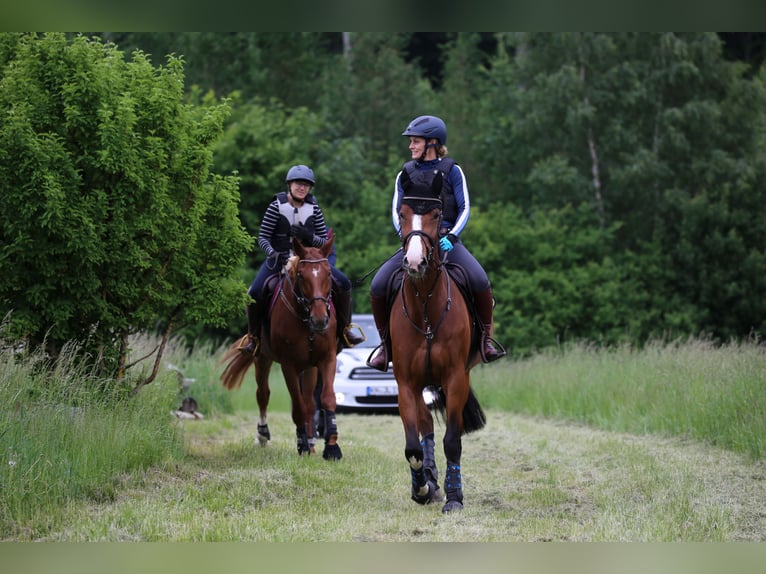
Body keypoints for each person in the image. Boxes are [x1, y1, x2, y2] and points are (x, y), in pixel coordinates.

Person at [366, 115, 506, 371]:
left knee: (479, 280)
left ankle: (486, 340)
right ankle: (385, 346)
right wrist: (407, 240)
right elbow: (397, 211)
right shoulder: (404, 173)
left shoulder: (453, 170)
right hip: (413, 243)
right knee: (378, 286)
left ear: (432, 142)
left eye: (415, 141)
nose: (411, 146)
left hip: (446, 242)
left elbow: (465, 207)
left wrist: (451, 237)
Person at [240, 164, 364, 356]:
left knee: (344, 283)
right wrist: (274, 253)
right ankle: (253, 338)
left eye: (306, 185)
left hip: (308, 262)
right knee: (255, 291)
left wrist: (309, 236)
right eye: (298, 184)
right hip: (279, 261)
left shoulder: (314, 208)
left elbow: (323, 240)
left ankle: (345, 330)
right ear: (290, 185)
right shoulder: (276, 207)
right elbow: (263, 237)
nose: (302, 188)